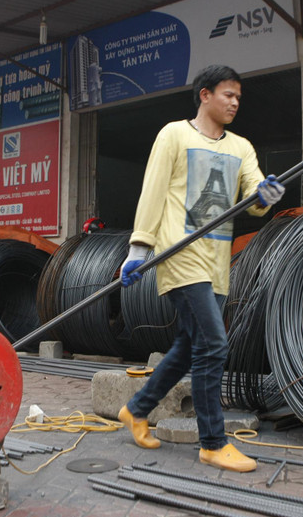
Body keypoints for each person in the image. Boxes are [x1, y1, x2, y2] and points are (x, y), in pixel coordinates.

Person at [117, 65, 284, 473]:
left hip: (216, 261)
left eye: (239, 98)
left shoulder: (241, 147)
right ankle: (212, 441)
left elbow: (255, 196)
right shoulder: (174, 134)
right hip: (178, 253)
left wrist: (268, 196)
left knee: (192, 346)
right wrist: (138, 250)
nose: (235, 103)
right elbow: (153, 191)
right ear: (205, 95)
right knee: (214, 345)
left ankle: (136, 409)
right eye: (228, 95)